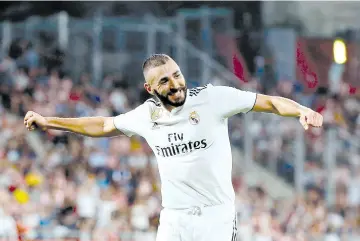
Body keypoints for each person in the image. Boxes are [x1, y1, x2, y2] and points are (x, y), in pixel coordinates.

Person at [24, 54, 323, 241]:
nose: (175, 83)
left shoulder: (213, 98)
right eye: (164, 80)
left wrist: (300, 110)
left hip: (214, 216)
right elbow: (102, 126)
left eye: (177, 74)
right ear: (150, 89)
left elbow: (268, 102)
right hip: (174, 217)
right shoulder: (146, 115)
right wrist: (49, 121)